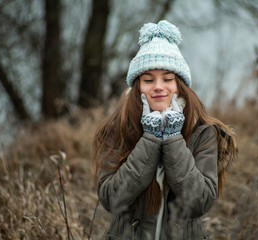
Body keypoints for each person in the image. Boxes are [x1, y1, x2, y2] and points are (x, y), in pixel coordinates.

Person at [93, 20, 237, 240]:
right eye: (148, 80)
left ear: (180, 85)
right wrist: (149, 138)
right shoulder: (117, 129)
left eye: (167, 78)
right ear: (137, 87)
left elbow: (200, 201)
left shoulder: (203, 133)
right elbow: (112, 199)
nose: (158, 86)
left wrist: (172, 138)